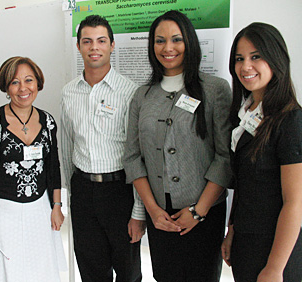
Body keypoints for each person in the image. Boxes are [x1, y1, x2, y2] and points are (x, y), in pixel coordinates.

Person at [123, 10, 232, 282]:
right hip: (160, 215)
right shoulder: (142, 96)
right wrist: (152, 210)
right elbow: (133, 157)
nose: (168, 48)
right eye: (160, 41)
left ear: (189, 43)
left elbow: (224, 156)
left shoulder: (215, 89)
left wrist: (198, 211)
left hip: (204, 214)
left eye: (176, 39)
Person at [60, 14, 144, 282]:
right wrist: (72, 195)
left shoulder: (130, 92)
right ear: (78, 46)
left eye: (101, 41)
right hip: (83, 191)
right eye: (87, 41)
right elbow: (66, 146)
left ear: (112, 45)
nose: (94, 47)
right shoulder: (69, 92)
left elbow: (139, 154)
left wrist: (138, 211)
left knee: (129, 273)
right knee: (91, 269)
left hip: (121, 191)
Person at [221, 22, 302, 282]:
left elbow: (295, 203)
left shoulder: (290, 121)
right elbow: (244, 184)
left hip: (277, 248)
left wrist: (275, 269)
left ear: (276, 59)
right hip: (246, 243)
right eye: (239, 59)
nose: (246, 67)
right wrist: (232, 230)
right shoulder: (242, 116)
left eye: (256, 57)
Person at [0, 56, 67, 282]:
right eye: (15, 82)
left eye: (29, 80)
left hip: (40, 210)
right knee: (6, 272)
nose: (23, 88)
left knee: (40, 270)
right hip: (3, 212)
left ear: (38, 83)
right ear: (6, 87)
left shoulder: (48, 121)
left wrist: (56, 206)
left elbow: (53, 167)